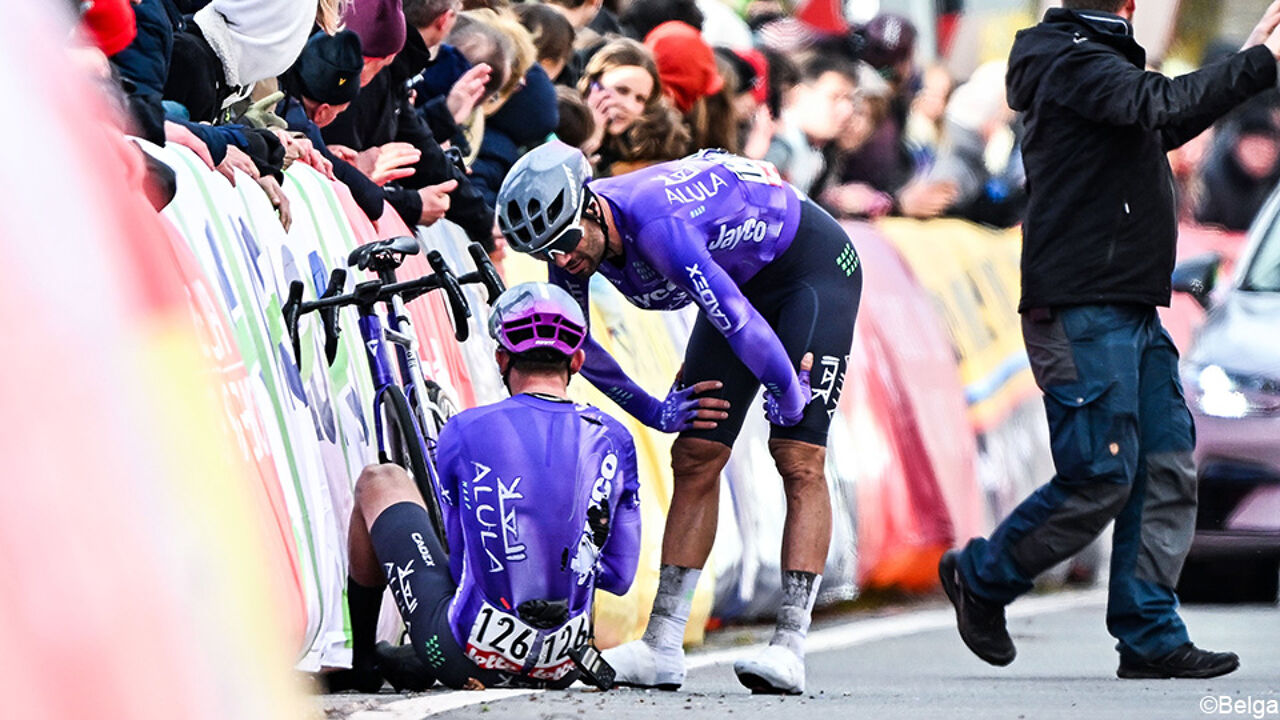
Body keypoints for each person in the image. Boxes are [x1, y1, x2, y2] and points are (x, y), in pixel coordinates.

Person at [939, 0, 1280, 681]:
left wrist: (1252, 57)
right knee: (1101, 474)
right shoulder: (1066, 56)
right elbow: (1156, 103)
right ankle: (983, 575)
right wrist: (1262, 63)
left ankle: (1149, 631)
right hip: (1082, 306)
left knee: (1165, 466)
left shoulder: (1098, 61)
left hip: (1129, 305)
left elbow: (1168, 113)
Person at [496, 140, 863, 694]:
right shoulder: (571, 241)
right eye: (552, 252)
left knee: (797, 453)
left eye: (569, 243)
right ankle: (662, 642)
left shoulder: (658, 226)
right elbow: (574, 339)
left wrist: (788, 391)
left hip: (812, 270)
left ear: (591, 206)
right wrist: (652, 408)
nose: (566, 260)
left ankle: (790, 643)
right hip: (740, 281)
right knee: (694, 453)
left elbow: (738, 320)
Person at [336, 282, 642, 691]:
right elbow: (620, 577)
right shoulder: (616, 436)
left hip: (464, 660)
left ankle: (365, 664)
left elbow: (463, 561)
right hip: (564, 664)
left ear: (501, 358)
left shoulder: (464, 429)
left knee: (381, 479)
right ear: (578, 360)